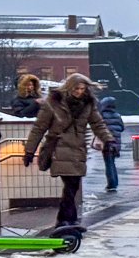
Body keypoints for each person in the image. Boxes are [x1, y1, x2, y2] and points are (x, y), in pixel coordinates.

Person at [23, 74, 114, 230]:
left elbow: (97, 123)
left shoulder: (88, 104)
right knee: (71, 184)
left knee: (73, 185)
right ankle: (66, 220)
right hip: (59, 148)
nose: (80, 92)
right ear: (69, 87)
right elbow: (39, 127)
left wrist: (109, 139)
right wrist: (29, 151)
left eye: (83, 89)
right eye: (77, 89)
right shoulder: (53, 102)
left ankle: (67, 220)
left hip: (78, 150)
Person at [96, 93, 126, 192]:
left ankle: (111, 183)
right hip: (116, 143)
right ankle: (115, 182)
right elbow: (122, 128)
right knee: (112, 162)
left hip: (107, 143)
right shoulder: (117, 115)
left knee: (108, 164)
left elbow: (98, 128)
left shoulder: (102, 116)